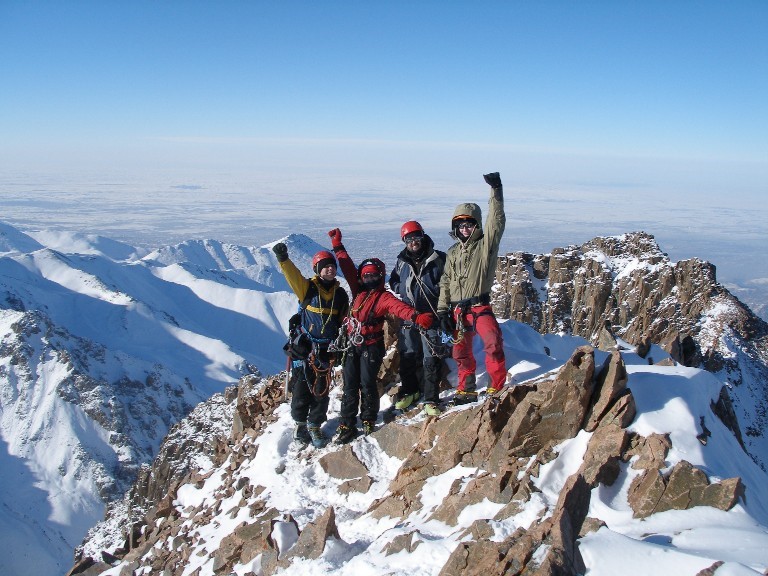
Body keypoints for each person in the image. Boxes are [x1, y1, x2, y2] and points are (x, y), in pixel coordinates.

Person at [328, 228, 435, 443]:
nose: (369, 278)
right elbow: (347, 266)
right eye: (366, 275)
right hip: (352, 345)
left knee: (367, 383)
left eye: (374, 275)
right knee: (350, 385)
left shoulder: (383, 297)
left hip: (371, 345)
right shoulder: (357, 289)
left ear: (380, 276)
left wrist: (416, 317)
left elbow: (399, 308)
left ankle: (368, 418)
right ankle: (346, 423)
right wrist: (337, 246)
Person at [437, 172, 508, 404]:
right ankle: (466, 388)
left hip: (479, 306)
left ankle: (496, 387)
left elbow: (495, 221)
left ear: (476, 225)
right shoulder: (453, 252)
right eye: (460, 225)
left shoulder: (485, 246)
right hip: (457, 312)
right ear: (455, 228)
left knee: (492, 342)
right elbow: (446, 281)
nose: (465, 229)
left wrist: (495, 190)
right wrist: (442, 310)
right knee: (460, 352)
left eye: (469, 224)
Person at [272, 242, 350, 447]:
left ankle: (314, 425)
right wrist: (283, 259)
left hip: (326, 348)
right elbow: (293, 276)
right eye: (325, 266)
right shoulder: (308, 288)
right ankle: (300, 425)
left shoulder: (340, 295)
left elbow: (344, 321)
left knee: (321, 391)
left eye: (332, 265)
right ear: (317, 270)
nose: (330, 269)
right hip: (305, 348)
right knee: (301, 389)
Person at [389, 221, 446, 416]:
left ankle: (431, 399)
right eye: (409, 239)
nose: (413, 242)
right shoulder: (402, 261)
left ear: (422, 236)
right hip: (409, 316)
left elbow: (451, 286)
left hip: (431, 316)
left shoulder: (438, 259)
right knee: (408, 355)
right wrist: (401, 289)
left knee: (431, 358)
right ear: (404, 241)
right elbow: (393, 279)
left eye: (416, 237)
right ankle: (410, 391)